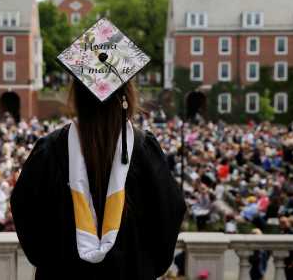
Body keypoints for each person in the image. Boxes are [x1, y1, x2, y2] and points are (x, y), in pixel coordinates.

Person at [11, 19, 186, 280]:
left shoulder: (49, 151)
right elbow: (168, 214)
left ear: (77, 95)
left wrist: (54, 261)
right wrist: (143, 266)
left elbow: (26, 213)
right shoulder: (143, 150)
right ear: (127, 94)